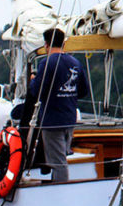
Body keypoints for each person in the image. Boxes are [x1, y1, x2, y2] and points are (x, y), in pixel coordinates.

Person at [28, 27, 90, 183]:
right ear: (63, 43)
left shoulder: (47, 63)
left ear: (46, 44)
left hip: (52, 120)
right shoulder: (75, 63)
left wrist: (33, 80)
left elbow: (37, 91)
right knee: (61, 156)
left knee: (57, 162)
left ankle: (61, 193)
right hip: (69, 118)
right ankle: (57, 186)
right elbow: (83, 90)